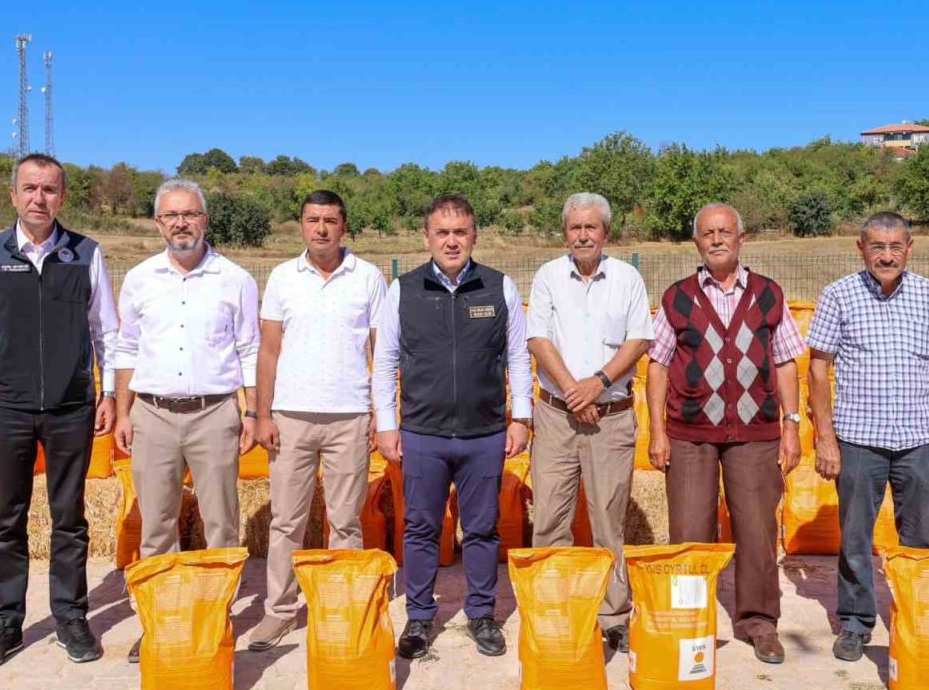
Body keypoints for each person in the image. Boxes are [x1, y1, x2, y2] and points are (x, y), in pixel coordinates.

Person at [0, 153, 118, 672]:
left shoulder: (86, 254)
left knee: (70, 518)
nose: (38, 199)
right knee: (7, 519)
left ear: (62, 197)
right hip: (7, 407)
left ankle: (70, 615)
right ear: (13, 195)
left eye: (49, 190)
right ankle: (5, 622)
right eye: (29, 189)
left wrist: (107, 393)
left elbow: (106, 332)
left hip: (71, 407)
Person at [372, 193, 532, 660]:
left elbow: (518, 357)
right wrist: (387, 424)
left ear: (474, 236)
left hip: (484, 434)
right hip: (424, 433)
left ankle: (481, 614)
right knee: (420, 527)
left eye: (460, 232)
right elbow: (384, 361)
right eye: (442, 232)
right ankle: (420, 618)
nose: (451, 241)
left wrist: (519, 418)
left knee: (482, 529)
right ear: (427, 238)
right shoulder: (403, 289)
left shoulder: (499, 287)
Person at [645, 203, 805, 664]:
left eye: (725, 232)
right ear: (696, 242)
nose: (717, 240)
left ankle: (759, 622)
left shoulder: (768, 295)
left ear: (741, 239)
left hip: (756, 435)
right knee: (691, 530)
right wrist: (658, 431)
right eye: (708, 233)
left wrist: (790, 428)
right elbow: (656, 366)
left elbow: (786, 362)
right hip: (689, 434)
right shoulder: (677, 298)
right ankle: (689, 618)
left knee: (755, 529)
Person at [111, 178, 259, 663]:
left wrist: (252, 410)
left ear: (205, 220)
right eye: (171, 216)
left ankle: (217, 619)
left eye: (190, 214)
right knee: (156, 527)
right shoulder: (139, 278)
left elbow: (250, 350)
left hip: (215, 413)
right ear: (157, 223)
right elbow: (126, 347)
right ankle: (160, 623)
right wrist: (124, 408)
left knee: (221, 524)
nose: (180, 223)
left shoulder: (235, 279)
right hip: (152, 413)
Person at [806, 211, 929, 663]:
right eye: (878, 246)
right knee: (855, 537)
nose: (887, 255)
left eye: (896, 246)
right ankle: (856, 623)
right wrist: (825, 438)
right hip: (859, 439)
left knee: (920, 537)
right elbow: (818, 367)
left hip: (920, 439)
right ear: (861, 249)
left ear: (910, 248)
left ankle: (917, 615)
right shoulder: (839, 295)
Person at [247, 190, 386, 651]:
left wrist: (378, 413)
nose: (321, 228)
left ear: (344, 226)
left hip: (348, 416)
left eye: (330, 220)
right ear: (301, 225)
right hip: (291, 417)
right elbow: (268, 351)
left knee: (346, 520)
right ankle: (280, 611)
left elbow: (380, 353)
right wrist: (262, 413)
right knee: (287, 520)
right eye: (312, 219)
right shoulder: (284, 277)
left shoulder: (367, 278)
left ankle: (341, 605)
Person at [525, 192, 653, 653]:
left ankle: (613, 615)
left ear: (606, 233)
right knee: (550, 519)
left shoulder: (628, 278)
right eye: (575, 227)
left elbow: (639, 340)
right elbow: (538, 339)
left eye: (591, 227)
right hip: (557, 417)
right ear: (565, 232)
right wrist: (572, 390)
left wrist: (597, 384)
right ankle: (554, 609)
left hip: (611, 418)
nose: (583, 234)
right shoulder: (547, 277)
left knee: (607, 523)